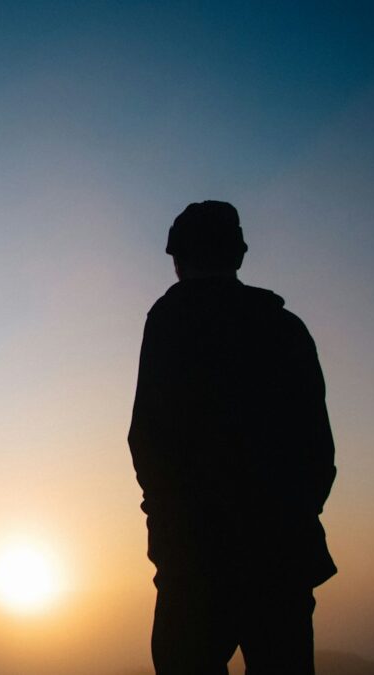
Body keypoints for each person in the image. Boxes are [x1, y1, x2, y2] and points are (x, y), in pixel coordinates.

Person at [128, 201, 337, 675]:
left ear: (179, 260)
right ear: (238, 255)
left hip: (194, 563)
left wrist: (169, 525)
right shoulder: (286, 328)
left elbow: (148, 440)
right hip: (281, 558)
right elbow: (317, 451)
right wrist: (293, 515)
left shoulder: (171, 321)